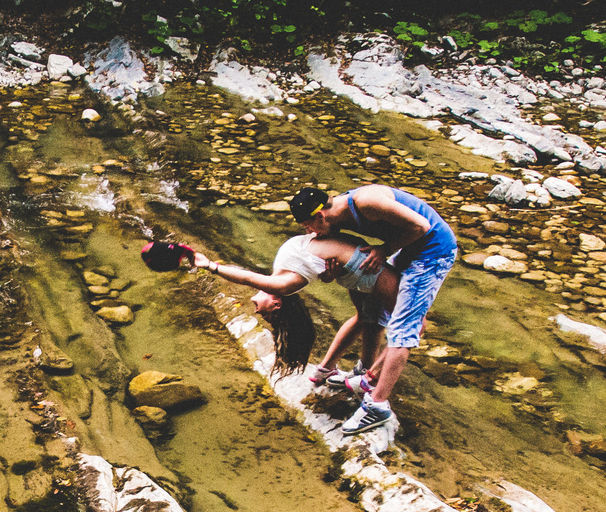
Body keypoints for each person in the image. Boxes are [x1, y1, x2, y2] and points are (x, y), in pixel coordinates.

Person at [285, 183, 458, 436]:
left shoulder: (367, 202)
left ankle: (377, 405)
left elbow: (422, 226)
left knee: (404, 327)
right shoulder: (336, 218)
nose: (309, 232)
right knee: (375, 313)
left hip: (433, 252)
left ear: (320, 216)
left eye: (307, 226)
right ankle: (366, 376)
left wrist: (384, 250)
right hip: (410, 246)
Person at [181, 230, 398, 394]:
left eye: (264, 316)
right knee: (380, 323)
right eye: (265, 314)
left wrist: (211, 266)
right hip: (361, 266)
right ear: (276, 304)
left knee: (370, 321)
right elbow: (246, 278)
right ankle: (362, 376)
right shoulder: (281, 285)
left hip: (359, 264)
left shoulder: (279, 280)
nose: (257, 312)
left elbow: (247, 276)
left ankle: (333, 371)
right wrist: (210, 266)